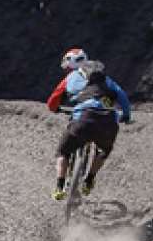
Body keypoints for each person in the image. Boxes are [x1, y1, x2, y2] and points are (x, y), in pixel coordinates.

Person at [46, 47, 133, 201]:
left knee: (63, 152)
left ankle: (59, 187)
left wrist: (56, 109)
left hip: (83, 119)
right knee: (104, 150)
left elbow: (52, 102)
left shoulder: (70, 78)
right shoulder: (107, 80)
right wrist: (125, 116)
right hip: (108, 121)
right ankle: (89, 180)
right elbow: (123, 98)